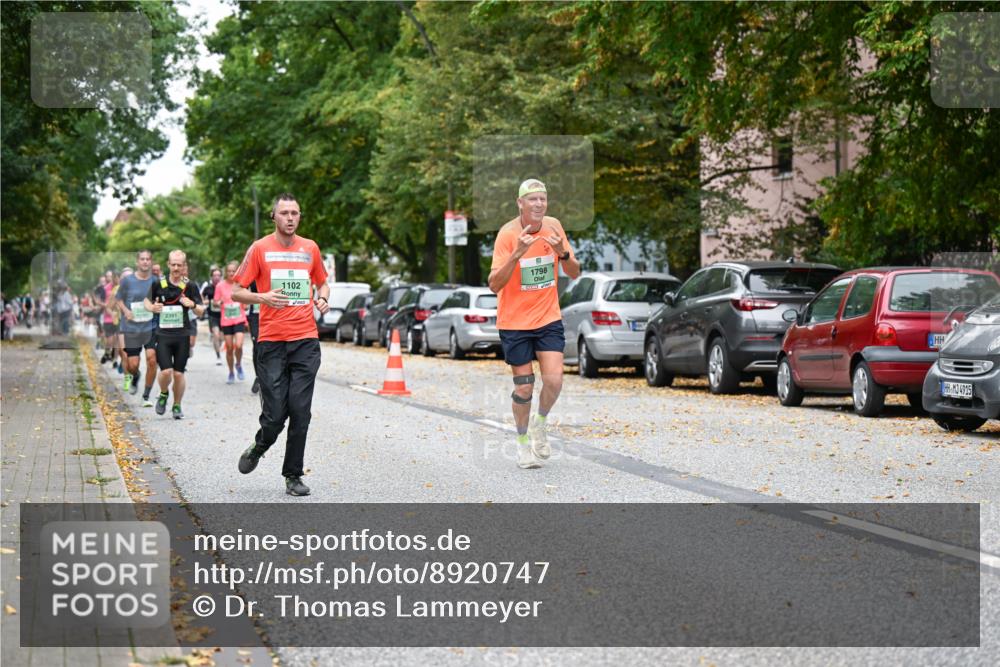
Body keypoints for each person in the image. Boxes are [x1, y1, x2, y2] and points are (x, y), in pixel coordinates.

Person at [232, 193, 330, 497]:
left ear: (299, 217)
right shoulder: (260, 249)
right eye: (284, 213)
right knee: (275, 416)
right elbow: (236, 291)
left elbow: (322, 281)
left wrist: (323, 297)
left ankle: (293, 475)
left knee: (301, 411)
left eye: (295, 213)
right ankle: (261, 443)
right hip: (271, 342)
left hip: (305, 340)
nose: (290, 218)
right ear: (274, 216)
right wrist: (262, 297)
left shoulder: (310, 248)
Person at [488, 179, 581, 469]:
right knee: (525, 386)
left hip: (547, 317)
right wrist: (516, 254)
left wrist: (562, 253)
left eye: (543, 199)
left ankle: (540, 423)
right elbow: (494, 284)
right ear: (520, 203)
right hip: (514, 322)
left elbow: (575, 272)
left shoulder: (554, 227)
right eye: (533, 199)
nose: (539, 204)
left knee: (554, 380)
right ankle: (522, 443)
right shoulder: (507, 235)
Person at [144, 250, 205, 419]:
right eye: (173, 264)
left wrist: (192, 304)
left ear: (184, 266)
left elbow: (201, 311)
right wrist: (152, 308)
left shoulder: (190, 286)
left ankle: (177, 405)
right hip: (163, 335)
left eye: (180, 265)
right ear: (168, 264)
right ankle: (163, 393)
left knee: (178, 374)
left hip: (182, 335)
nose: (176, 268)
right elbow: (146, 301)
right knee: (165, 372)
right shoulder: (158, 284)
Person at [116, 250, 158, 401]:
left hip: (150, 327)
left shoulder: (156, 280)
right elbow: (119, 299)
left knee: (152, 358)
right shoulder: (127, 281)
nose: (145, 262)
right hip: (132, 328)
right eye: (142, 259)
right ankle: (136, 376)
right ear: (137, 262)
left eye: (148, 259)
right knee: (133, 365)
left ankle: (146, 394)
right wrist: (126, 311)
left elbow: (163, 297)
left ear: (151, 262)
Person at [216, 261, 248, 384]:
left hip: (239, 318)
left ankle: (238, 364)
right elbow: (215, 301)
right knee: (229, 348)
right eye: (229, 271)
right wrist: (219, 302)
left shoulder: (241, 284)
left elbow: (246, 301)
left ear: (237, 272)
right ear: (226, 272)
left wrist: (244, 304)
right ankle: (231, 372)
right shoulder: (220, 286)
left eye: (233, 271)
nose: (231, 273)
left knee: (239, 345)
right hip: (226, 320)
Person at [202, 267, 224, 365]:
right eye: (214, 275)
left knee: (222, 338)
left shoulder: (224, 287)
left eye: (218, 275)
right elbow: (201, 297)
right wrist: (206, 301)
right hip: (212, 315)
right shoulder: (208, 288)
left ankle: (219, 346)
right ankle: (218, 356)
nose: (216, 277)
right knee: (216, 334)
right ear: (211, 277)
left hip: (224, 315)